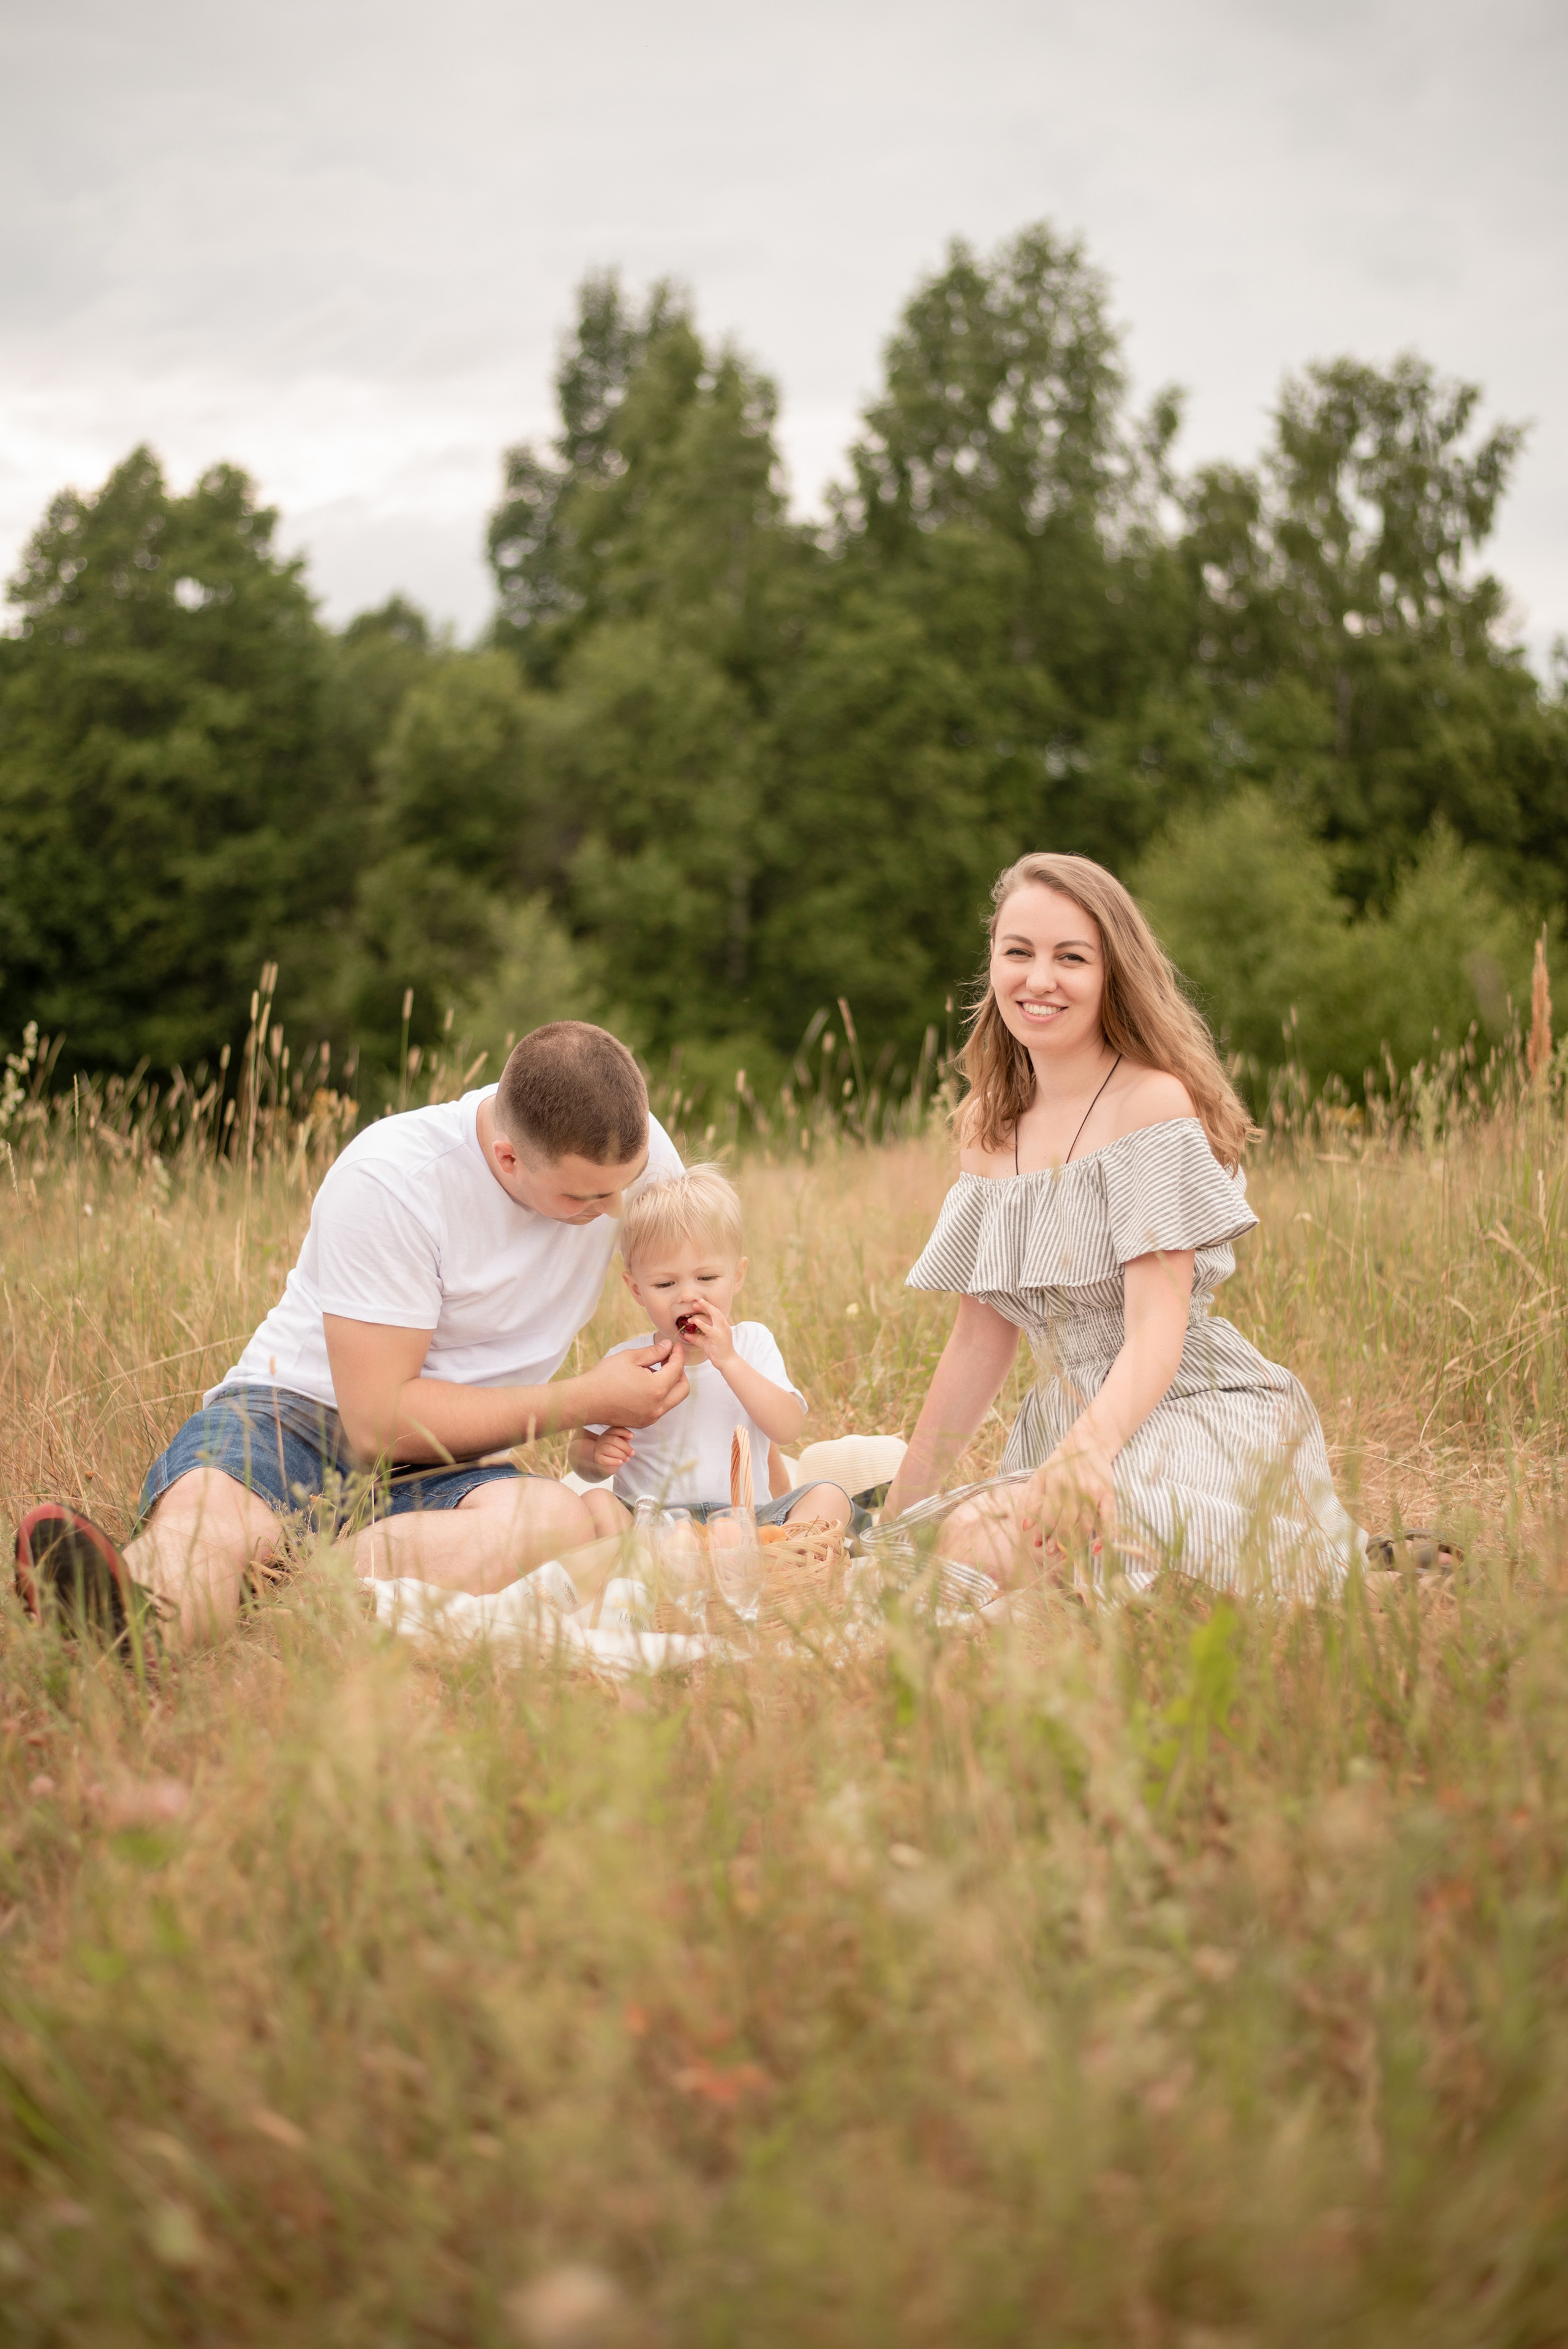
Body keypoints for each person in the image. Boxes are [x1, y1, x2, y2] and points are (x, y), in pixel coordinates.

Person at [15, 1023, 692, 1645]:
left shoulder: (630, 1159)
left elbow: (693, 1288)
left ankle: (284, 1605)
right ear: (507, 1158)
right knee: (217, 1525)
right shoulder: (393, 1177)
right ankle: (129, 1621)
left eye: (623, 1189)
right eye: (584, 1199)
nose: (614, 1211)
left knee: (557, 1523)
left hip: (455, 1465)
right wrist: (588, 1399)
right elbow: (379, 1425)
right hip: (298, 1415)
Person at [881, 852, 1368, 1596]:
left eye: (1069, 958)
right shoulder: (986, 1129)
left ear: (1112, 974)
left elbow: (1155, 1333)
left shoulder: (1149, 1104)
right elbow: (978, 1341)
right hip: (1067, 1420)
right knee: (949, 1542)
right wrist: (899, 1512)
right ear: (992, 965)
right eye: (1018, 953)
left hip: (1191, 1408)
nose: (1038, 980)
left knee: (1004, 1549)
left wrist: (1086, 1454)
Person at [568, 1165, 851, 1538]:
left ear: (737, 1276)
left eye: (707, 1278)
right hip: (655, 1523)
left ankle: (774, 1556)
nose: (689, 1295)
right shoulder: (627, 1361)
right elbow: (579, 1450)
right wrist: (596, 1457)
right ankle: (672, 1562)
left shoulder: (752, 1343)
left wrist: (730, 1361)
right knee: (594, 1504)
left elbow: (787, 1429)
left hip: (748, 1520)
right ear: (636, 1290)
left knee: (831, 1497)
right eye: (666, 1283)